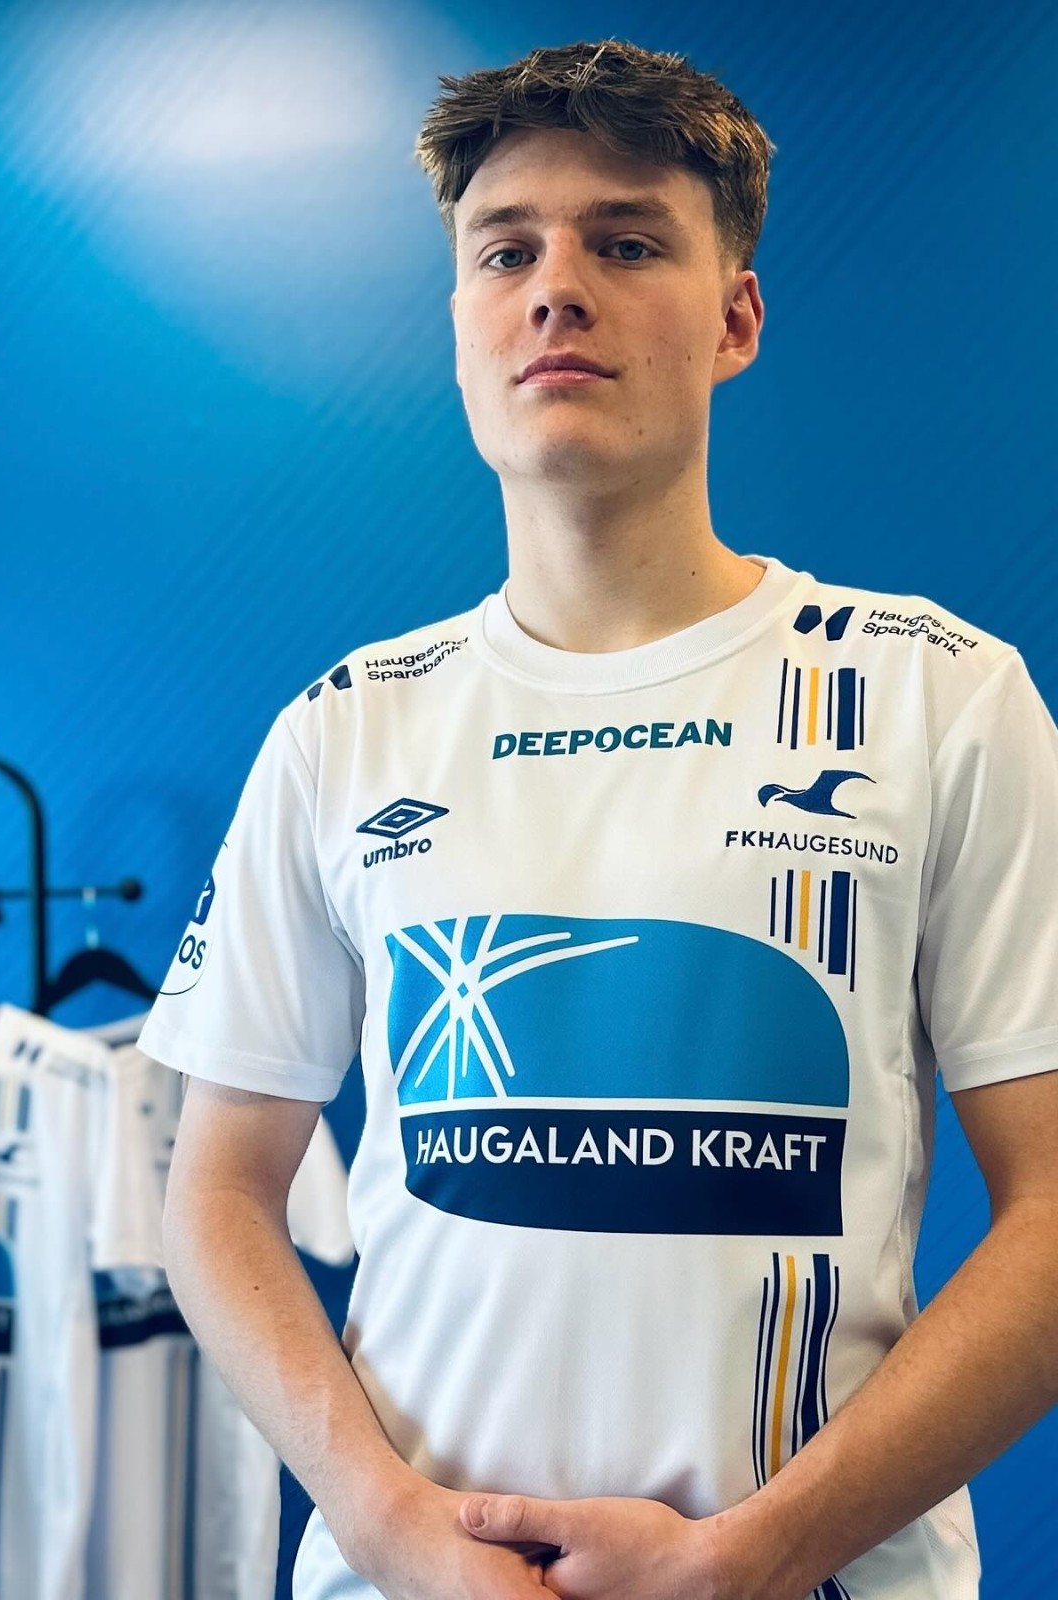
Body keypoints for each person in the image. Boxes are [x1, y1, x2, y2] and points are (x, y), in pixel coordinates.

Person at [138, 37, 1058, 1600]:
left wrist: (754, 1555)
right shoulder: (345, 727)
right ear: (460, 325)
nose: (556, 289)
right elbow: (216, 1195)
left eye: (626, 244)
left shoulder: (936, 694)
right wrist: (385, 1525)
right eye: (507, 252)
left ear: (736, 318)